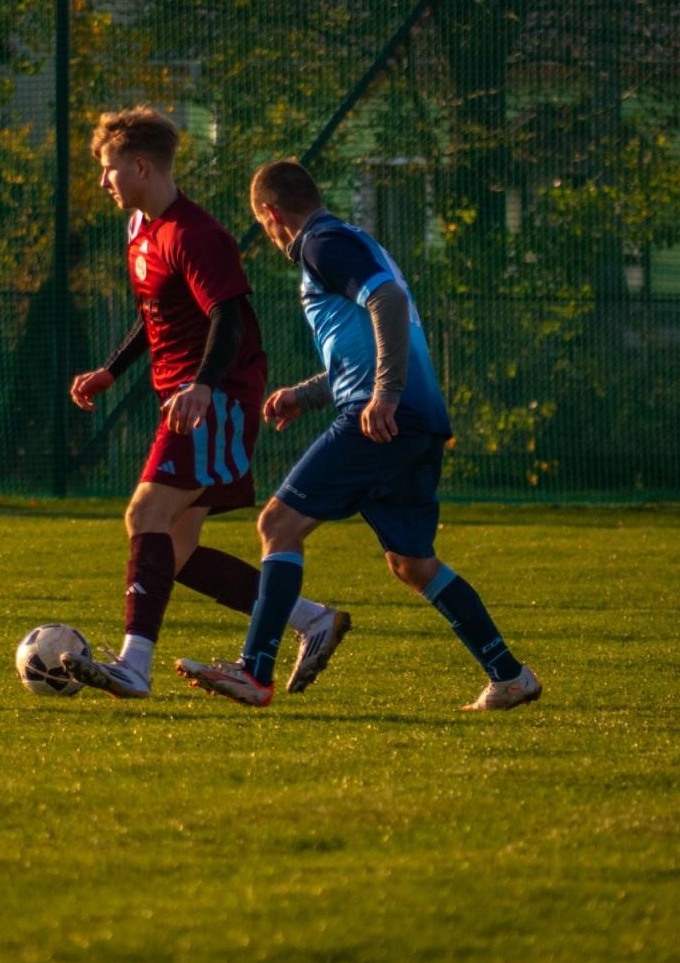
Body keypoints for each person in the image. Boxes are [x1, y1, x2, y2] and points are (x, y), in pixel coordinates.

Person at [176, 159, 541, 711]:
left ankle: (254, 671)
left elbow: (388, 304)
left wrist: (385, 394)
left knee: (278, 524)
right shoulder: (348, 240)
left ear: (271, 214)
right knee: (412, 564)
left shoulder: (321, 244)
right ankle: (510, 675)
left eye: (265, 224)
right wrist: (307, 394)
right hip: (413, 417)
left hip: (385, 416)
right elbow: (362, 345)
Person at [60, 109, 350, 700]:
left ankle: (134, 666)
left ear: (141, 166)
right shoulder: (141, 227)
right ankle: (311, 619)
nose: (103, 182)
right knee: (179, 547)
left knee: (144, 518)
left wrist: (205, 386)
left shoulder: (198, 236)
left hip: (214, 400)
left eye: (109, 170)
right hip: (187, 398)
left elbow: (228, 320)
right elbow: (156, 315)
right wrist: (110, 372)